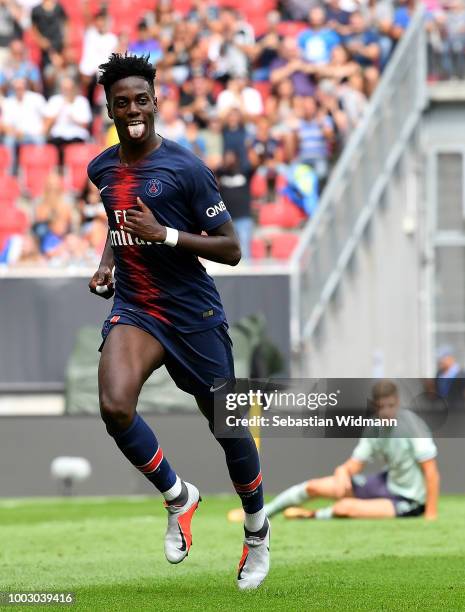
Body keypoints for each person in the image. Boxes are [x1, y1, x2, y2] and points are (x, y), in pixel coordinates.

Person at [87, 53, 269, 590]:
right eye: (123, 102)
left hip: (193, 313)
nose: (134, 108)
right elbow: (118, 225)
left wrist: (163, 235)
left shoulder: (186, 168)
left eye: (142, 99)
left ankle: (257, 534)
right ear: (111, 109)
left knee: (227, 428)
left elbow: (232, 249)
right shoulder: (102, 168)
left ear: (155, 101)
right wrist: (106, 265)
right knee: (115, 406)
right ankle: (178, 496)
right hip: (138, 308)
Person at [263, 380, 440, 521]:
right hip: (386, 483)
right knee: (314, 487)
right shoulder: (373, 427)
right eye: (381, 407)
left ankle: (310, 515)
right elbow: (356, 464)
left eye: (390, 405)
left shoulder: (412, 426)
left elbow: (431, 472)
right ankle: (264, 513)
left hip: (409, 500)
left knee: (345, 507)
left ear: (398, 402)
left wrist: (430, 514)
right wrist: (343, 471)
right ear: (374, 405)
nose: (386, 412)